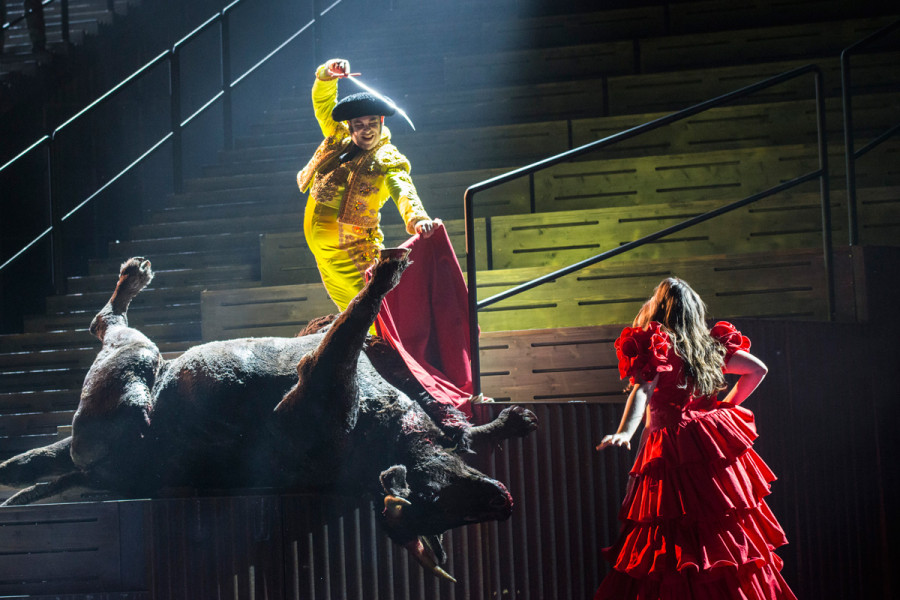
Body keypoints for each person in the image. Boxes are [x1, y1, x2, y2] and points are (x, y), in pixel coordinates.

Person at [594, 277, 796, 600]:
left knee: (672, 539)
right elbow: (758, 370)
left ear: (659, 308)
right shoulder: (706, 349)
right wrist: (721, 410)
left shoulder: (658, 346)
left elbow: (642, 394)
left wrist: (624, 432)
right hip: (703, 447)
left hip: (669, 451)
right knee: (716, 532)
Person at [297, 58, 439, 313]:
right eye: (359, 125)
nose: (366, 131)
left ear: (381, 122)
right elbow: (322, 105)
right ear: (349, 126)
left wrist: (417, 218)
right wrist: (327, 74)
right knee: (351, 318)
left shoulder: (388, 158)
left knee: (375, 314)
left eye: (372, 123)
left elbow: (403, 189)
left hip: (353, 254)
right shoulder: (337, 137)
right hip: (324, 257)